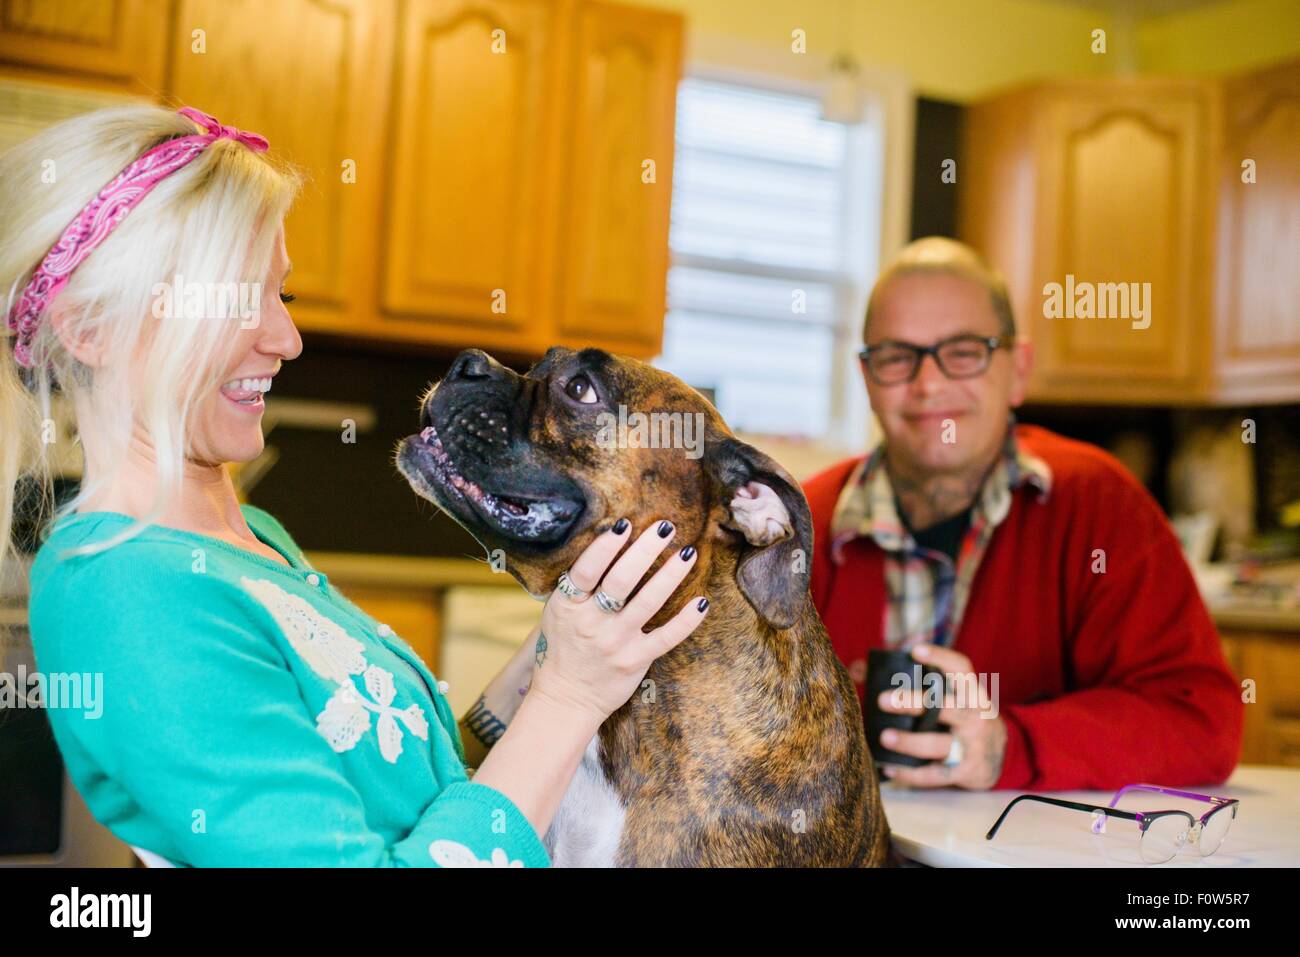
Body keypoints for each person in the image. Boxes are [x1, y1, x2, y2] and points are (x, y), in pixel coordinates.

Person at [1, 104, 708, 867]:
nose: (286, 338)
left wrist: (565, 642)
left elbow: (405, 796)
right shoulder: (123, 587)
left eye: (284, 296)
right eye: (241, 299)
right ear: (88, 329)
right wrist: (568, 696)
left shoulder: (242, 533)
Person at [804, 237, 1242, 792]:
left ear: (1019, 370)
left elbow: (1201, 723)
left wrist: (1010, 746)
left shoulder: (1100, 505)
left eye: (964, 350)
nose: (930, 384)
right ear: (867, 378)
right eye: (897, 356)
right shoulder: (799, 524)